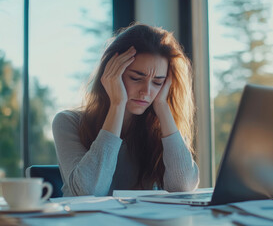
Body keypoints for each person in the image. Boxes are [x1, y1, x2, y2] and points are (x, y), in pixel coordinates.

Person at [52, 23, 199, 196]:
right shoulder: (68, 122)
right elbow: (89, 192)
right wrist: (117, 104)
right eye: (136, 78)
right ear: (111, 73)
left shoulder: (162, 128)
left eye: (158, 82)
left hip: (141, 222)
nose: (146, 92)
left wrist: (162, 106)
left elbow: (183, 188)